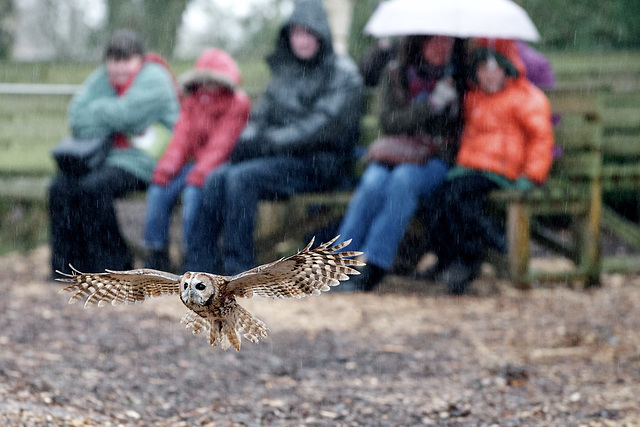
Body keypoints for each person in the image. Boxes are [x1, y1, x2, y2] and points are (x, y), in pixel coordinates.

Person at [183, 0, 363, 274]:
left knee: (241, 179)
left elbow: (321, 125)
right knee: (217, 178)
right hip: (281, 160)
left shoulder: (343, 73)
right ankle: (199, 265)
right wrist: (249, 141)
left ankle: (238, 267)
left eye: (308, 32)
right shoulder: (285, 71)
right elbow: (260, 118)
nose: (301, 40)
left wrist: (269, 143)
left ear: (320, 33)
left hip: (320, 164)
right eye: (295, 33)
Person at [335, 35, 465, 292]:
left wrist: (452, 103)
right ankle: (339, 262)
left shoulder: (459, 78)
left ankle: (375, 264)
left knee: (403, 181)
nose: (441, 48)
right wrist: (431, 106)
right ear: (419, 43)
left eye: (447, 43)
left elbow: (455, 132)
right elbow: (390, 123)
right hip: (395, 153)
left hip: (435, 159)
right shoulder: (395, 74)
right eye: (434, 42)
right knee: (372, 183)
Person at [49, 29, 180, 277]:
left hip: (147, 162)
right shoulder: (103, 78)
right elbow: (76, 117)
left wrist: (98, 110)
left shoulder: (155, 77)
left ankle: (113, 265)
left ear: (140, 60)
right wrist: (114, 114)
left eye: (126, 61)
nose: (119, 68)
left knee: (93, 188)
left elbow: (127, 114)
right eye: (114, 61)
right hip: (108, 158)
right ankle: (67, 266)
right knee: (60, 187)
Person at [427, 40, 554, 294]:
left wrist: (532, 176)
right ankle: (449, 257)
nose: (489, 75)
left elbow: (541, 140)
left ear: (507, 69)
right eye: (483, 69)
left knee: (458, 199)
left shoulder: (526, 97)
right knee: (435, 200)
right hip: (470, 167)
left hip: (502, 169)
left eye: (495, 68)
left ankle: (475, 254)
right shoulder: (474, 98)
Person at [143, 49, 251, 271]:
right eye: (204, 81)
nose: (208, 87)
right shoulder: (192, 103)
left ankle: (194, 253)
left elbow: (223, 143)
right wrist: (165, 169)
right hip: (195, 165)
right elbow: (180, 140)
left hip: (221, 165)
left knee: (194, 194)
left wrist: (200, 174)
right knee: (158, 190)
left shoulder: (236, 103)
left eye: (214, 82)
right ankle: (156, 251)